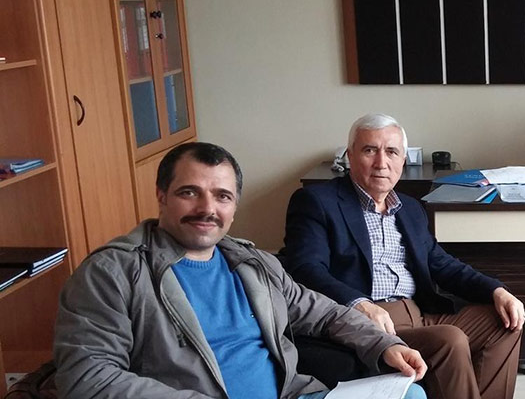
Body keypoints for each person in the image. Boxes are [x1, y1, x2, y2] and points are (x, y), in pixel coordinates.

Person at [53, 142, 428, 399]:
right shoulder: (112, 272)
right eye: (189, 192)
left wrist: (384, 344)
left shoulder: (253, 263)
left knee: (410, 394)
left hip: (291, 393)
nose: (207, 208)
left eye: (222, 196)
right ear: (162, 196)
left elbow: (325, 314)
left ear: (234, 207)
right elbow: (87, 377)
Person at [282, 113, 525, 399]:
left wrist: (496, 290)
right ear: (350, 156)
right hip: (364, 323)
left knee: (506, 320)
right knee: (450, 340)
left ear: (403, 160)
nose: (381, 162)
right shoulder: (317, 201)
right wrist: (358, 304)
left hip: (420, 314)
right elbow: (305, 267)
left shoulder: (409, 208)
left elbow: (442, 264)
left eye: (391, 152)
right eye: (370, 150)